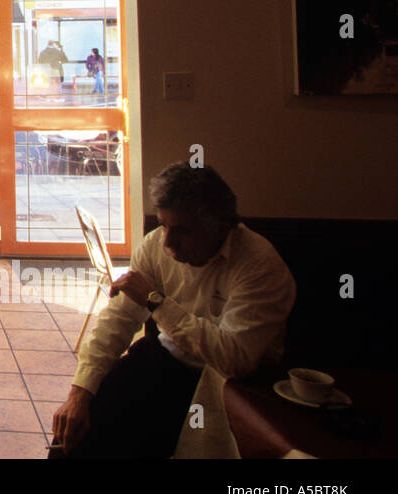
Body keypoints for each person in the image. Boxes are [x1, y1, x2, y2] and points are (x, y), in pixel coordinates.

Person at [49, 163, 295, 459]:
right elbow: (117, 322)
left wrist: (155, 302)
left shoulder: (259, 266)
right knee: (73, 439)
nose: (167, 242)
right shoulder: (155, 246)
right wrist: (80, 394)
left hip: (235, 387)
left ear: (220, 226)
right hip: (165, 360)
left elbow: (234, 359)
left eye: (182, 231)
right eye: (164, 225)